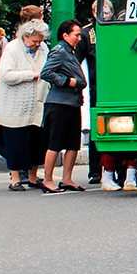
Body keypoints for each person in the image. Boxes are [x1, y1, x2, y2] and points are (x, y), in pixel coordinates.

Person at [0, 20, 49, 191]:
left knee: (36, 142)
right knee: (15, 143)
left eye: (40, 41)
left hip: (36, 105)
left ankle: (33, 177)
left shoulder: (43, 49)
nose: (37, 44)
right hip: (14, 105)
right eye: (34, 41)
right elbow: (6, 75)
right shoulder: (12, 48)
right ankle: (15, 178)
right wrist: (32, 75)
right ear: (25, 36)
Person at [39, 19, 87, 193]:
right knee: (55, 143)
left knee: (73, 144)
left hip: (72, 103)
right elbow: (46, 73)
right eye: (76, 35)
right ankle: (48, 179)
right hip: (59, 104)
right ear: (65, 35)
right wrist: (68, 81)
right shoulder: (59, 52)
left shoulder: (71, 52)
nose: (79, 38)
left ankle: (67, 179)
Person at [76, 2, 101, 185]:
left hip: (117, 85)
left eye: (108, 10)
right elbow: (75, 60)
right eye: (101, 10)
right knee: (96, 129)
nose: (105, 14)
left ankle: (119, 172)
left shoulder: (118, 26)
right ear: (94, 12)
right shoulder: (87, 33)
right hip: (96, 87)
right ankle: (96, 171)